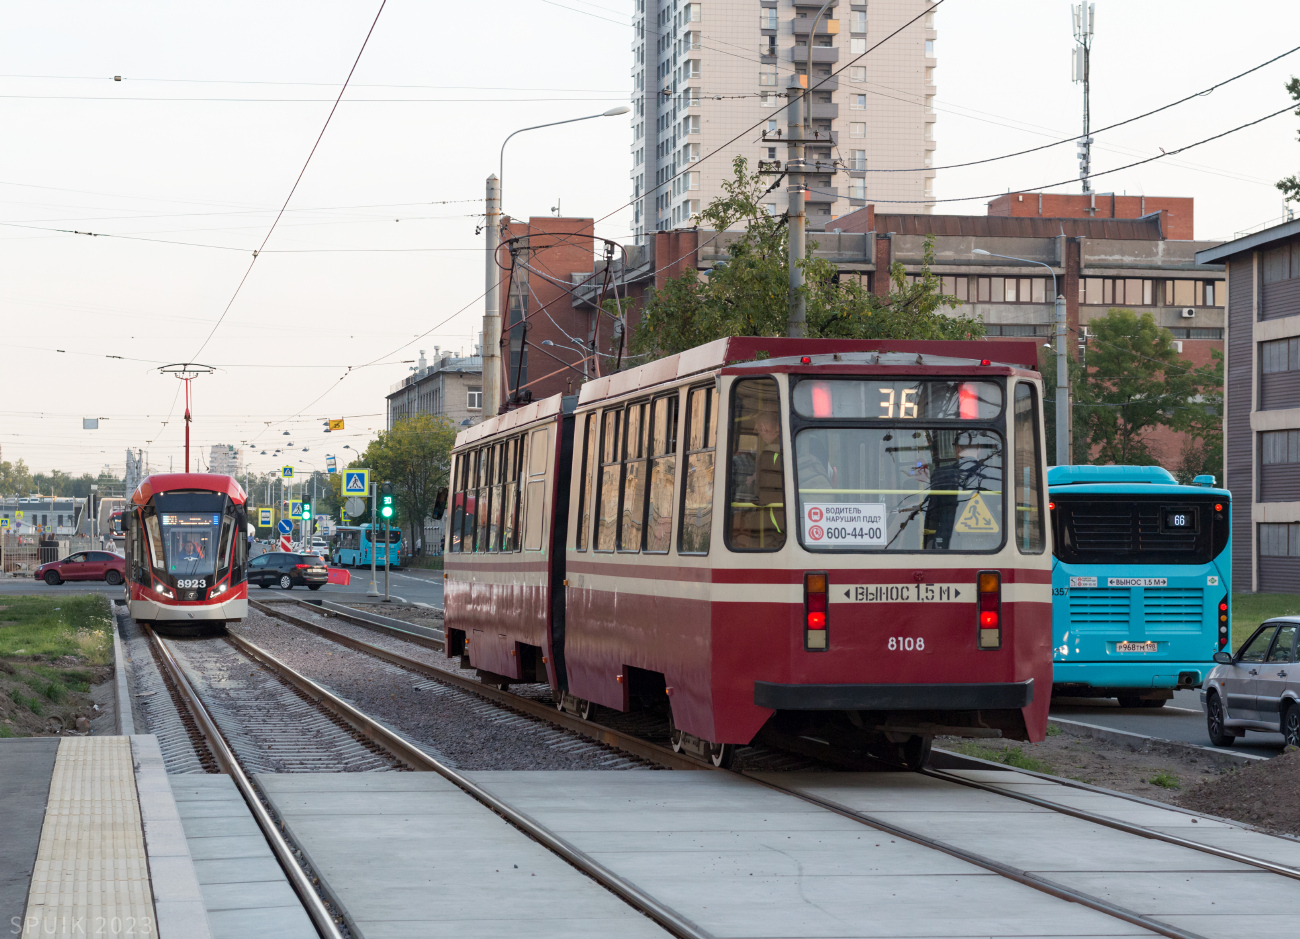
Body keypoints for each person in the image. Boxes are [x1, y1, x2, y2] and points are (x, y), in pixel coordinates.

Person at [730, 407, 786, 549]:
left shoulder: (769, 455)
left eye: (760, 431)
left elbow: (766, 492)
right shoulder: (786, 449)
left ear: (764, 428)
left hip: (774, 522)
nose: (761, 435)